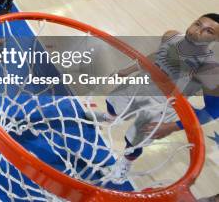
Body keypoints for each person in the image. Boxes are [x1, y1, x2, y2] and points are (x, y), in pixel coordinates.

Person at [88, 14, 219, 184]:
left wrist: (173, 126)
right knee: (112, 102)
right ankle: (111, 117)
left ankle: (124, 165)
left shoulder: (210, 68)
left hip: (162, 105)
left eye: (208, 31)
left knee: (134, 140)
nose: (197, 32)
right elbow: (155, 56)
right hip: (141, 84)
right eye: (197, 24)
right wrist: (126, 71)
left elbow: (213, 111)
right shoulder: (171, 36)